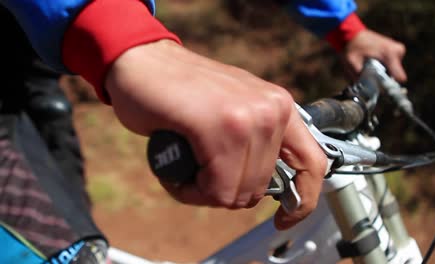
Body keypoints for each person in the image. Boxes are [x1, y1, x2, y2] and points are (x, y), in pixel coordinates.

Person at [0, 0, 406, 263]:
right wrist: (117, 31)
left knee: (79, 231)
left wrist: (345, 27)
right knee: (64, 254)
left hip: (31, 61)